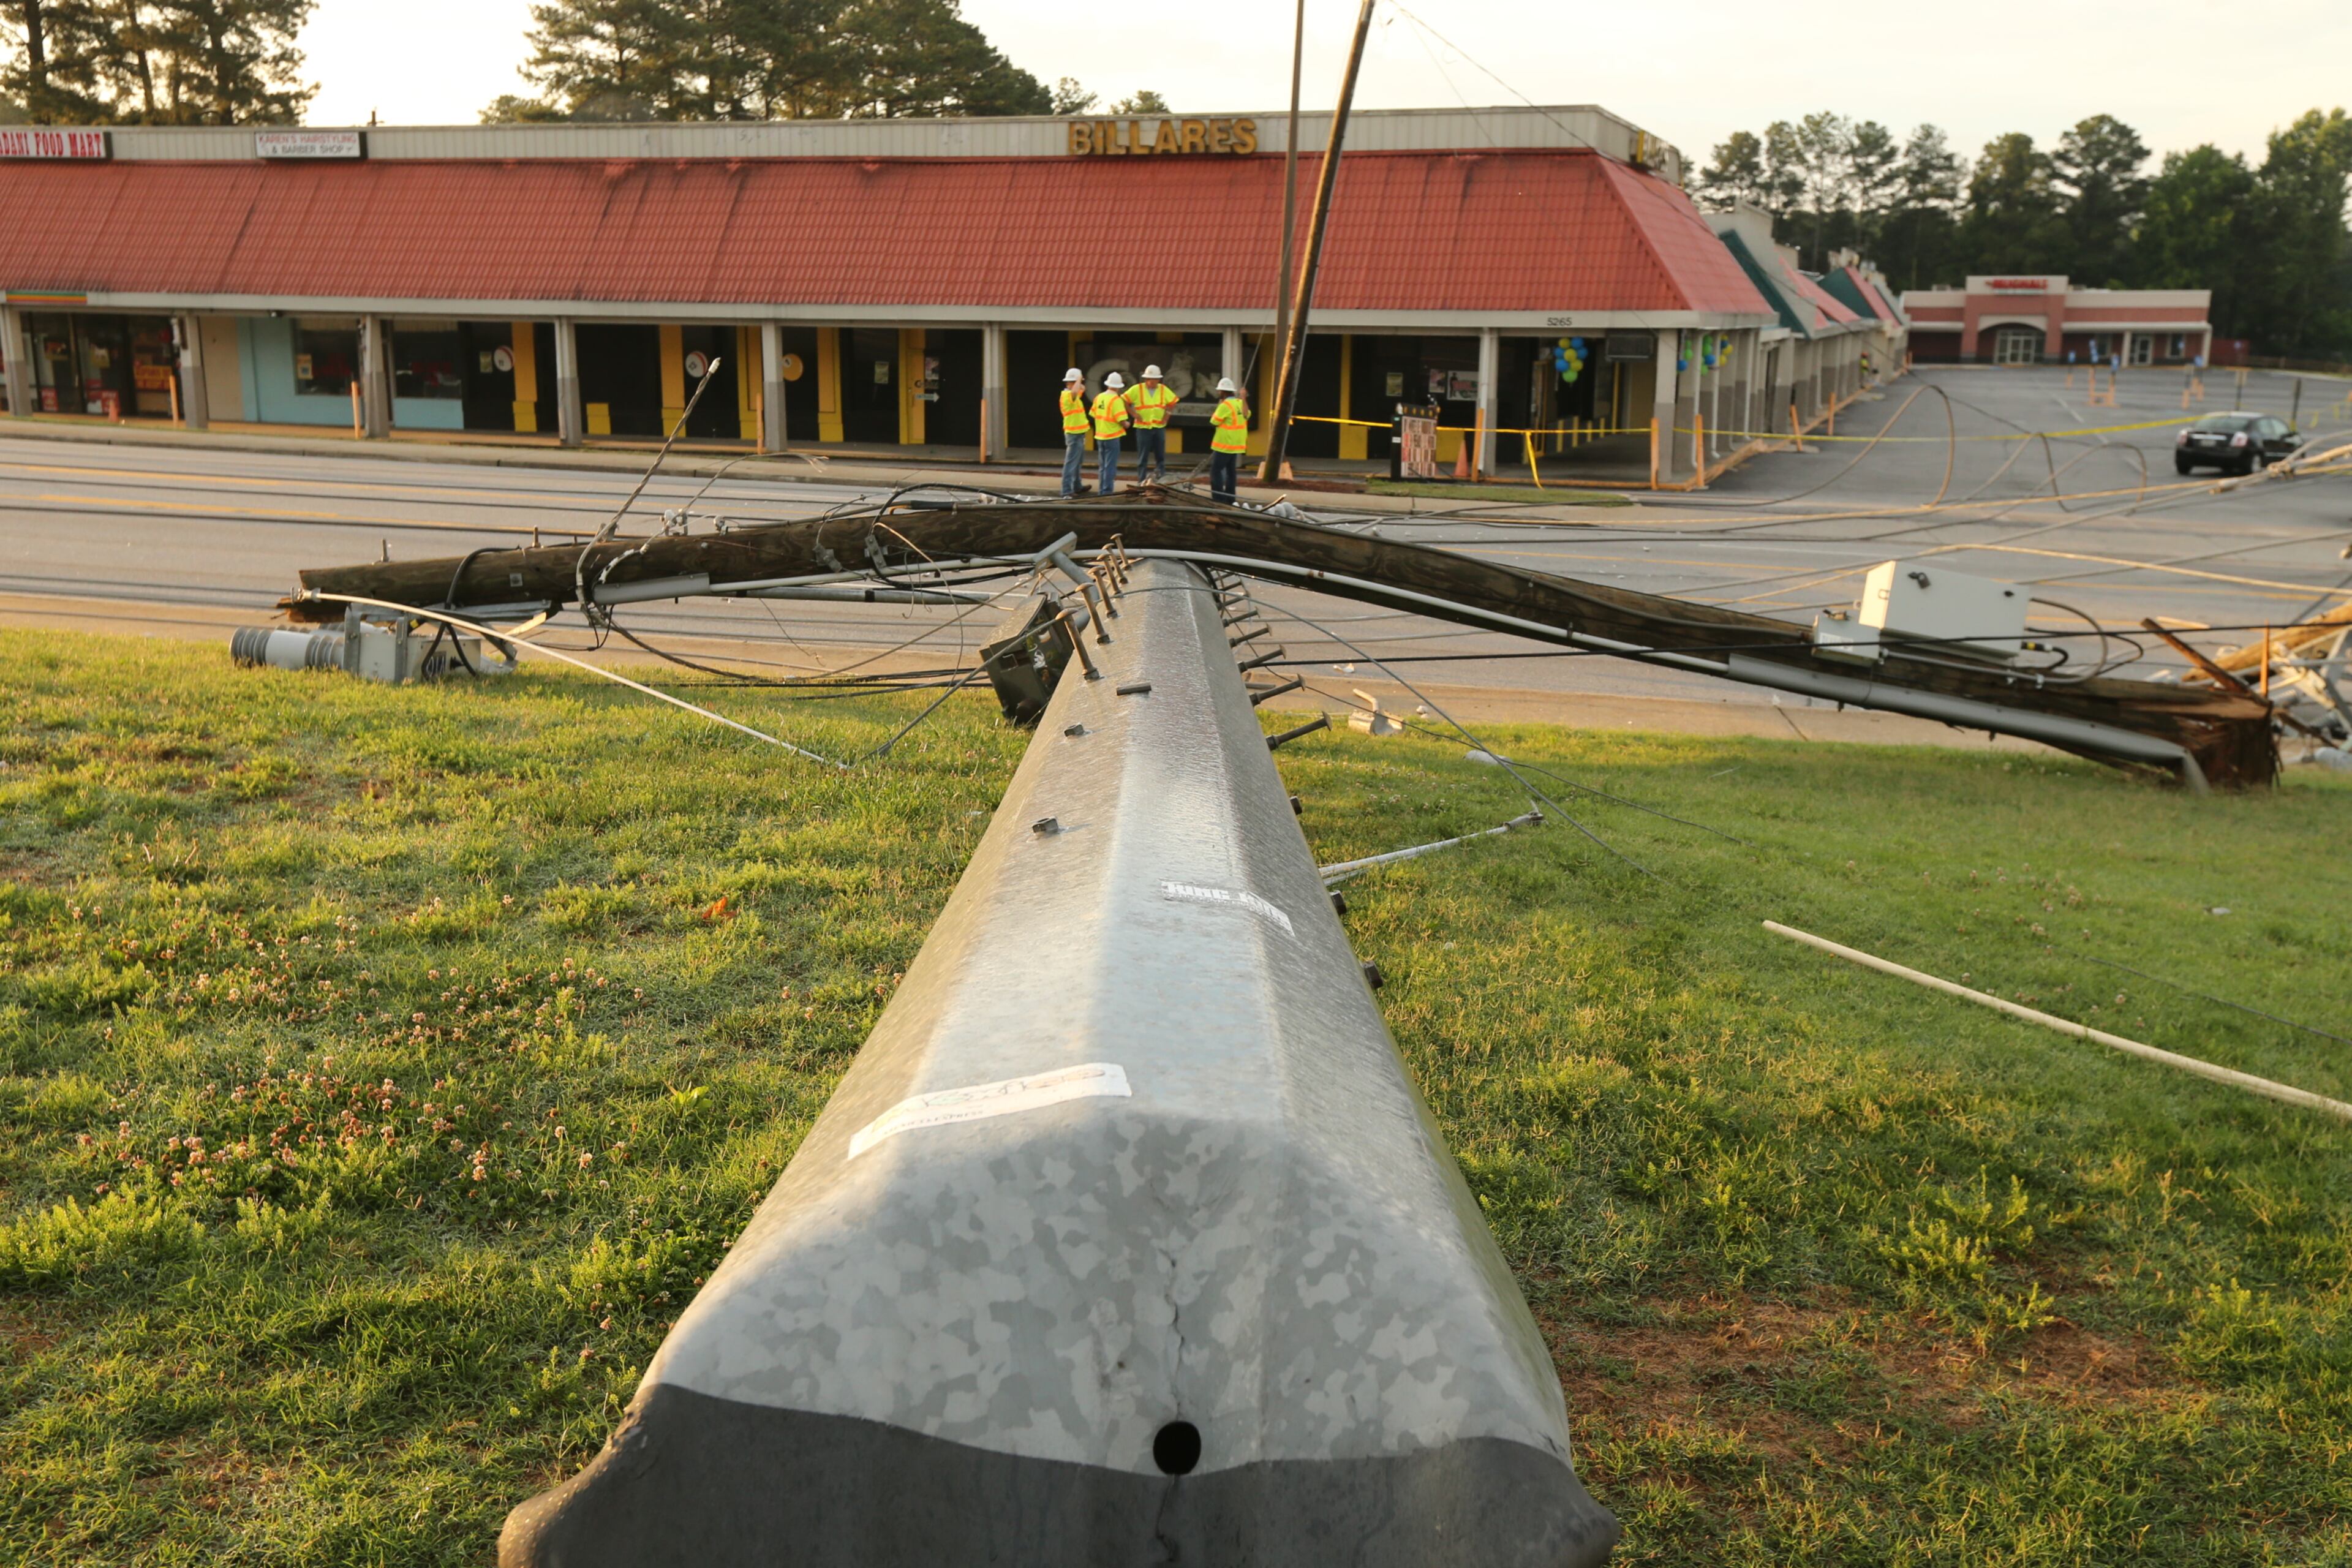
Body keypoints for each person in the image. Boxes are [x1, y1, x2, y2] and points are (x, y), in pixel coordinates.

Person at [1124, 363, 1180, 484]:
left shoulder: (1163, 389)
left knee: (1160, 456)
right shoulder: (1137, 389)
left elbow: (1173, 402)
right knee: (1142, 457)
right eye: (1151, 379)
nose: (1153, 382)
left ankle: (1162, 480)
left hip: (1159, 427)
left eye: (1156, 379)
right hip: (1143, 427)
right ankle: (1141, 481)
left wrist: (1167, 416)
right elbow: (1124, 400)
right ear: (1146, 379)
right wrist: (1133, 414)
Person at [1208, 376, 1250, 505]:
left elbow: (1214, 421)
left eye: (1220, 391)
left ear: (1223, 392)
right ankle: (1231, 499)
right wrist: (1244, 398)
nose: (1218, 393)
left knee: (1216, 471)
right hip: (1237, 445)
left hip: (1224, 445)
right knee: (1231, 472)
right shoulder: (1239, 403)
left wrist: (1219, 407)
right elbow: (1246, 414)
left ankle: (1218, 499)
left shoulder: (1225, 405)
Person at [1090, 371, 1133, 495]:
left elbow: (1094, 414)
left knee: (1102, 467)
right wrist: (1128, 424)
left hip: (1100, 436)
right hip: (1112, 437)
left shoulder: (1099, 397)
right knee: (1110, 467)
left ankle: (1101, 491)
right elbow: (1122, 421)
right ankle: (1107, 493)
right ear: (1119, 387)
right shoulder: (1116, 400)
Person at [1058, 368, 1090, 499]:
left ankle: (1077, 486)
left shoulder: (1073, 395)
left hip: (1079, 433)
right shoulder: (1067, 395)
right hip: (1073, 433)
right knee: (1071, 463)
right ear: (1070, 383)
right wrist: (1078, 379)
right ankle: (1066, 490)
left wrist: (1079, 380)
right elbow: (1077, 390)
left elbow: (1082, 389)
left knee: (1077, 462)